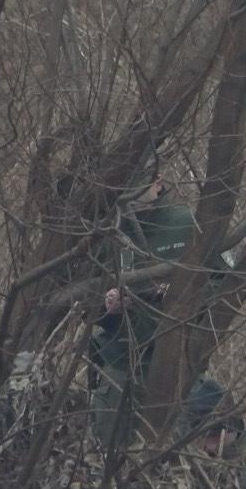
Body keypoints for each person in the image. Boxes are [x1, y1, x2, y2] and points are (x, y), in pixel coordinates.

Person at [91, 171, 197, 450]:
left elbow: (222, 282)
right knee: (106, 448)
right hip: (118, 361)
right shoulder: (112, 231)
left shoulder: (186, 223)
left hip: (174, 361)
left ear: (158, 182)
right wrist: (107, 305)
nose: (132, 194)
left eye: (139, 184)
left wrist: (176, 296)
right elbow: (84, 298)